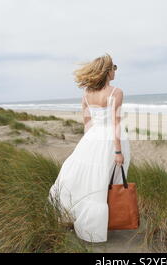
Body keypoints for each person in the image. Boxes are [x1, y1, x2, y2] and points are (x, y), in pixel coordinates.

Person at [48, 53, 131, 243]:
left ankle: (91, 220)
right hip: (111, 141)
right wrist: (118, 151)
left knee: (92, 182)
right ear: (107, 71)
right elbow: (115, 123)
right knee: (110, 181)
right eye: (114, 67)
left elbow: (87, 123)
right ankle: (101, 225)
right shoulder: (115, 92)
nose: (115, 70)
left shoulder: (86, 93)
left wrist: (88, 145)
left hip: (92, 138)